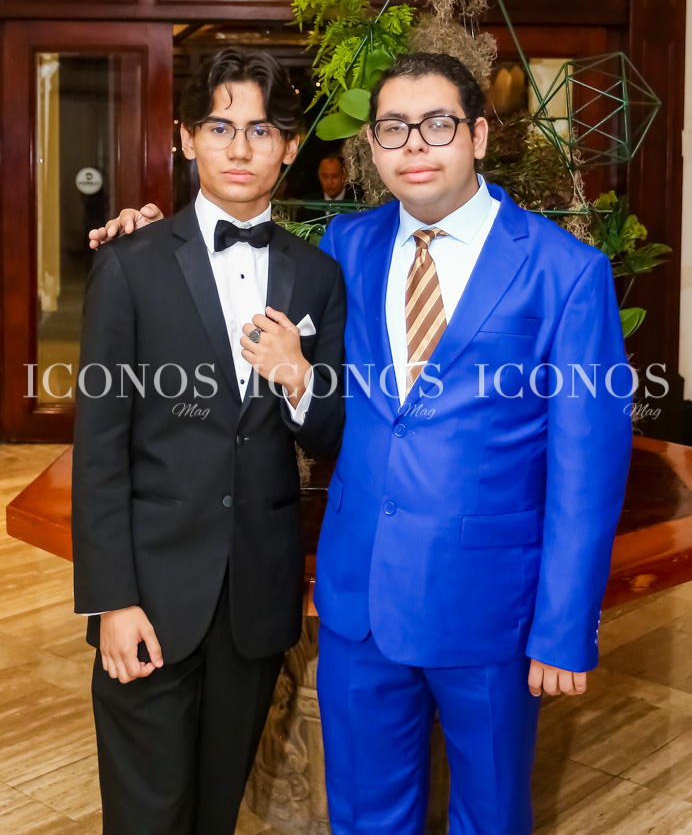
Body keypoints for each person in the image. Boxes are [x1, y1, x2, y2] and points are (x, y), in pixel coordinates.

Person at [90, 52, 632, 835]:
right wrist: (142, 234)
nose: (414, 144)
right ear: (370, 145)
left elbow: (588, 472)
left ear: (479, 136)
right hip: (359, 605)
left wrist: (564, 626)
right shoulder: (347, 246)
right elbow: (221, 256)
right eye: (393, 128)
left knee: (491, 816)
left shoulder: (567, 272)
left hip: (491, 611)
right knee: (363, 818)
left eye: (437, 124)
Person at [72, 47, 346, 835]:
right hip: (150, 592)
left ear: (290, 146)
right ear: (187, 138)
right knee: (146, 813)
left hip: (256, 595)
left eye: (260, 131)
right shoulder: (129, 266)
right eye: (220, 127)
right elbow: (100, 451)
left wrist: (298, 377)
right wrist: (112, 600)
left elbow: (330, 432)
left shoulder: (317, 276)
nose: (239, 148)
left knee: (215, 810)